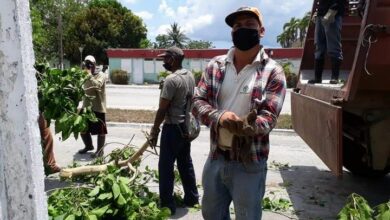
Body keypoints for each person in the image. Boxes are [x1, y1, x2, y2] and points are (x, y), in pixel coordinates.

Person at [192, 6, 286, 220]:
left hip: (250, 162)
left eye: (249, 25)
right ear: (231, 32)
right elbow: (197, 101)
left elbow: (269, 117)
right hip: (217, 157)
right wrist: (220, 117)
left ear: (261, 31)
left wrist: (248, 127)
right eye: (237, 26)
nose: (242, 29)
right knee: (212, 214)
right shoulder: (215, 66)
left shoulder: (274, 71)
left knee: (248, 216)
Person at [149, 46, 199, 215]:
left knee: (165, 167)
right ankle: (192, 198)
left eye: (166, 58)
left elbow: (162, 110)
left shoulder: (171, 80)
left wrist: (154, 131)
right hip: (185, 128)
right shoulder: (190, 75)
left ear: (174, 59)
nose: (163, 61)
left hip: (171, 129)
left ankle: (167, 204)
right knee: (185, 163)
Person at [309, 0, 346, 84]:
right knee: (319, 46)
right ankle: (317, 78)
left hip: (333, 13)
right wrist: (317, 12)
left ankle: (334, 77)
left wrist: (332, 11)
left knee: (333, 46)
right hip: (320, 14)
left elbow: (340, 2)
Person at [78, 55, 107, 158]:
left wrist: (89, 74)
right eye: (87, 64)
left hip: (98, 107)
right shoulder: (84, 75)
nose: (89, 66)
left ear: (95, 64)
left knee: (100, 130)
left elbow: (97, 85)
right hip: (86, 106)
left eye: (90, 64)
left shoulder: (101, 75)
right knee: (81, 128)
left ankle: (100, 151)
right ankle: (88, 146)